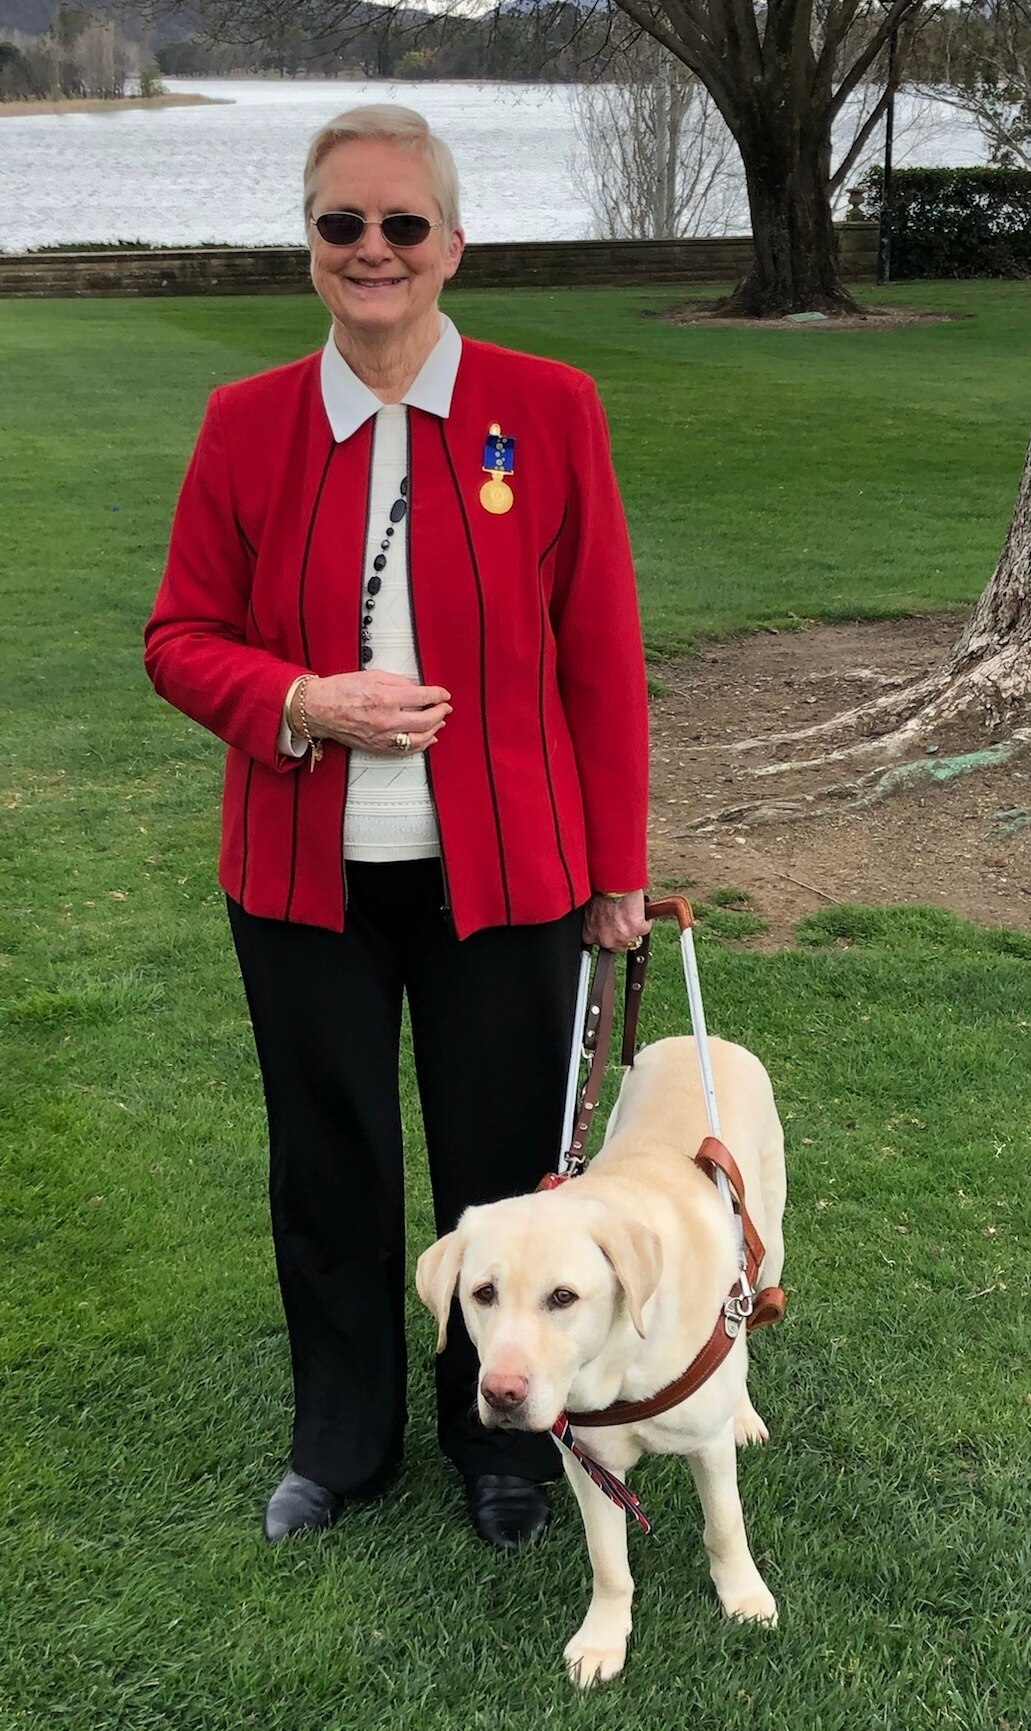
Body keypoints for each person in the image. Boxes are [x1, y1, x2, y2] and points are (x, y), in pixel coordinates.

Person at [144, 104, 649, 1550]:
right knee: (331, 1167)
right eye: (342, 226)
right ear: (310, 245)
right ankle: (344, 1439)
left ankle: (498, 1447)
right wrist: (302, 696)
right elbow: (180, 638)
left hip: (513, 879)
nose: (373, 251)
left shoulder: (546, 409)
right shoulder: (248, 422)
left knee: (505, 1180)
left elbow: (600, 657)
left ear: (452, 246)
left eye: (401, 226)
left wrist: (616, 869)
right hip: (303, 881)